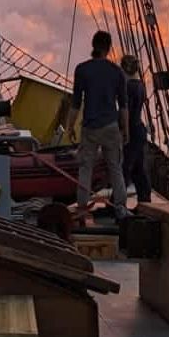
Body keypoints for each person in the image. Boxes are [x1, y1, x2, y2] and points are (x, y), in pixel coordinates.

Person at [64, 30, 129, 222]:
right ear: (108, 48)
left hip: (90, 127)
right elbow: (123, 106)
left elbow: (76, 103)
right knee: (115, 168)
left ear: (93, 46)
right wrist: (125, 130)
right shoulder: (117, 72)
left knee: (85, 168)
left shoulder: (82, 70)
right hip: (110, 126)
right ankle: (121, 208)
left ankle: (82, 207)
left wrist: (69, 127)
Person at [120, 54, 152, 204]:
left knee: (125, 168)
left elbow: (126, 111)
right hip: (140, 130)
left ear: (125, 68)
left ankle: (117, 203)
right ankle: (145, 201)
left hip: (132, 131)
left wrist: (123, 131)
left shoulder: (127, 87)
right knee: (139, 169)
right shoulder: (140, 85)